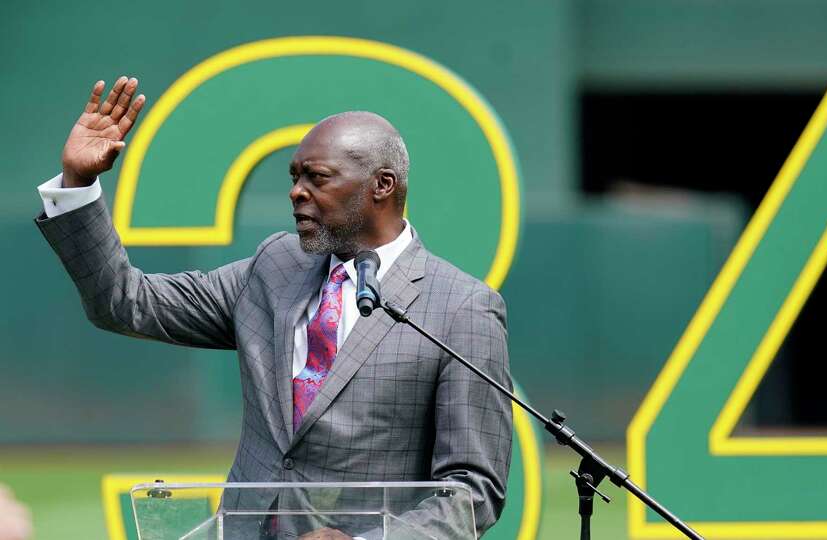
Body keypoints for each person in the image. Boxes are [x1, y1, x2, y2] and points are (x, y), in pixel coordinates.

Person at [36, 76, 513, 539]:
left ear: (383, 185)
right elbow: (125, 303)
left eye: (317, 177)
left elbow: (473, 491)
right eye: (294, 176)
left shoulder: (462, 308)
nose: (296, 191)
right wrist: (78, 183)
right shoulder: (274, 266)